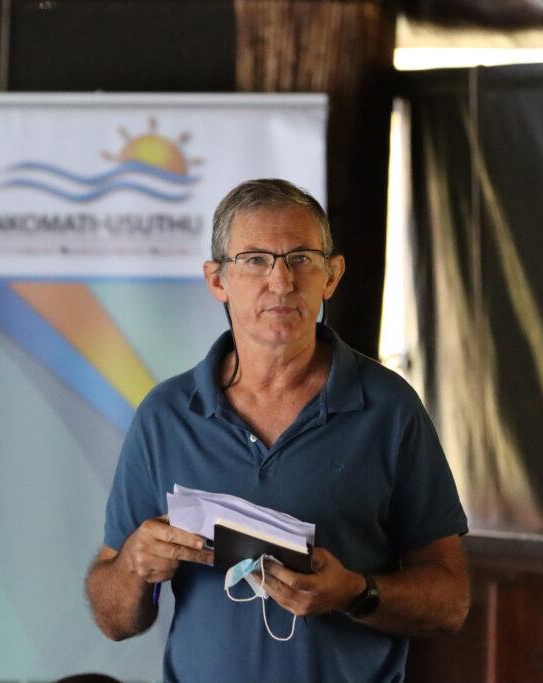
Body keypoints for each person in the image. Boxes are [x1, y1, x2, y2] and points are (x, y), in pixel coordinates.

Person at [86, 178, 469, 682]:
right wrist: (135, 564)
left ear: (332, 275)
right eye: (255, 260)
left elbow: (450, 603)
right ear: (217, 280)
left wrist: (356, 593)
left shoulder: (389, 408)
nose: (282, 282)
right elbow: (114, 620)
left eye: (301, 258)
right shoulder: (167, 414)